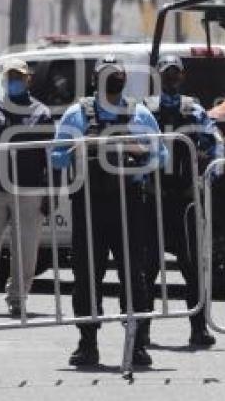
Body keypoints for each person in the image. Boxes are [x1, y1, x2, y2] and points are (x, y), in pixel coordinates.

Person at [51, 55, 164, 368]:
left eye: (118, 74)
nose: (113, 79)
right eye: (107, 74)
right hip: (89, 204)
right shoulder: (77, 114)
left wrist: (133, 147)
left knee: (134, 276)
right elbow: (57, 157)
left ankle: (137, 343)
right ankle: (87, 343)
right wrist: (81, 145)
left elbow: (162, 155)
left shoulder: (140, 113)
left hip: (129, 204)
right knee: (87, 276)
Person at [141, 54, 221, 347]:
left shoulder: (195, 110)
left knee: (193, 268)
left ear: (183, 76)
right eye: (166, 73)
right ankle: (143, 330)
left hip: (186, 201)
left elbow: (215, 144)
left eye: (175, 73)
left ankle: (198, 328)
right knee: (147, 268)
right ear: (158, 76)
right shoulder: (145, 110)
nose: (171, 78)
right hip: (154, 201)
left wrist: (210, 176)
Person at [0, 58, 53, 318]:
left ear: (28, 80)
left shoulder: (41, 113)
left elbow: (50, 159)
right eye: (10, 77)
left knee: (26, 250)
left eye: (19, 77)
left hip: (29, 191)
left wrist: (51, 194)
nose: (14, 81)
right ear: (4, 80)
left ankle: (18, 298)